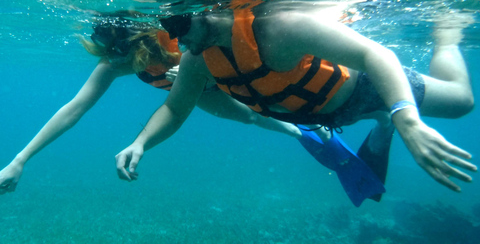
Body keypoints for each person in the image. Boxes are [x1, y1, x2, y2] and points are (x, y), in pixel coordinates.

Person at [0, 16, 384, 206]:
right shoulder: (116, 63)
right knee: (245, 116)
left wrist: (194, 73)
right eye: (110, 55)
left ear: (140, 39)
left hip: (225, 78)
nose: (115, 62)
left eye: (121, 52)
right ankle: (305, 136)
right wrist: (20, 159)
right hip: (195, 92)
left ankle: (321, 125)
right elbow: (74, 109)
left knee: (259, 107)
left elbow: (235, 49)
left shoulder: (179, 35)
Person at [114, 4, 476, 197]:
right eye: (166, 29)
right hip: (325, 115)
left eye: (176, 26)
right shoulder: (198, 58)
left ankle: (446, 35)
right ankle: (384, 122)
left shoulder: (280, 27)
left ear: (205, 8)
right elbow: (175, 109)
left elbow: (374, 55)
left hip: (370, 89)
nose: (176, 42)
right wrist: (140, 142)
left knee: (462, 102)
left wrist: (407, 118)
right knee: (389, 117)